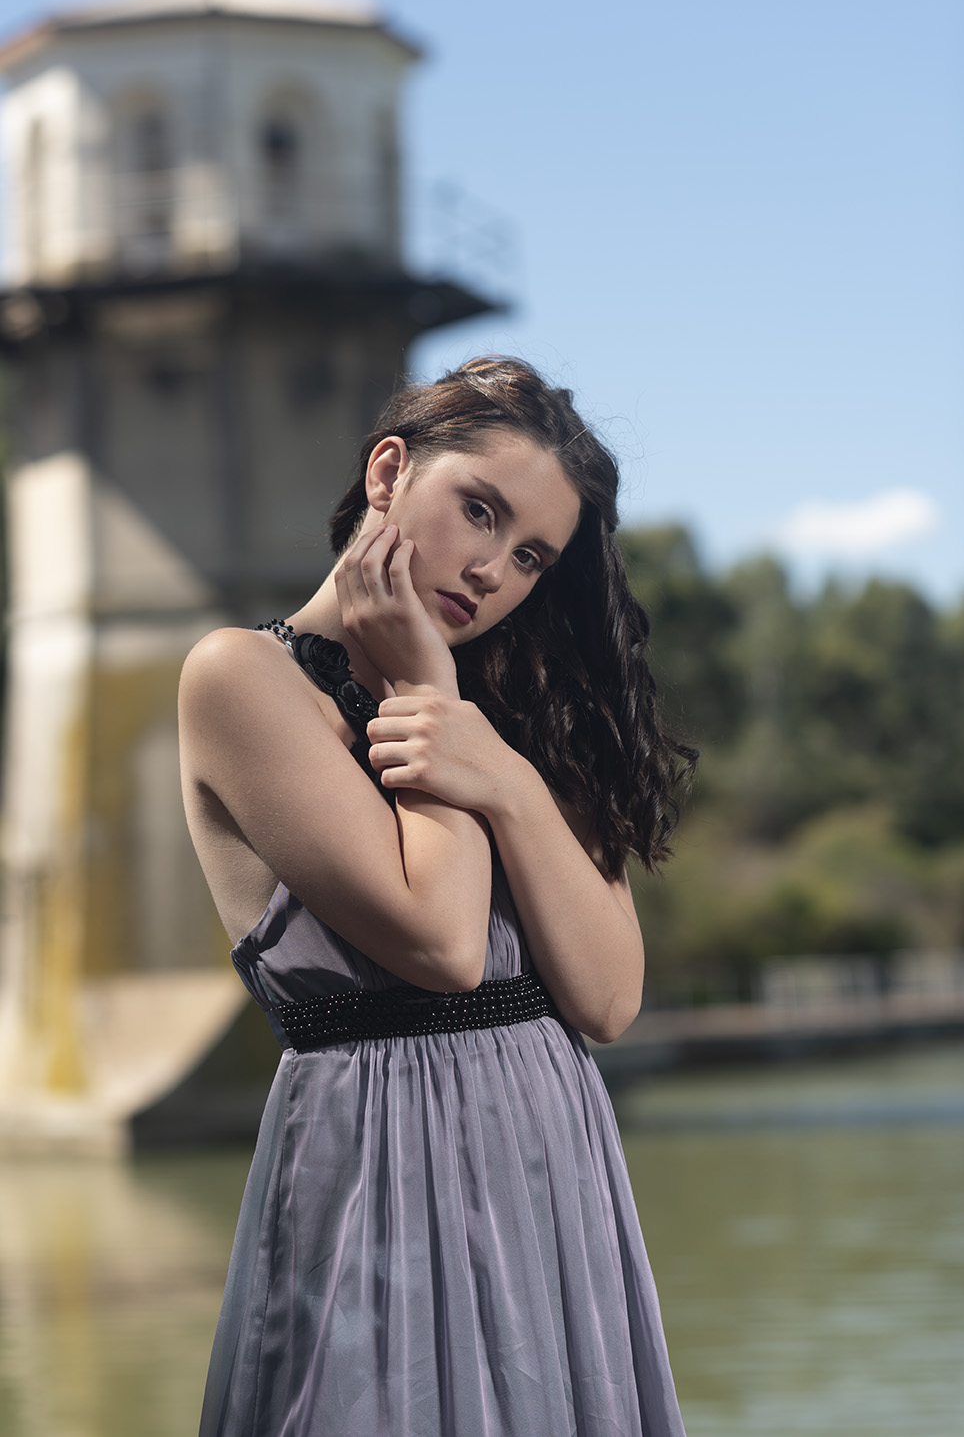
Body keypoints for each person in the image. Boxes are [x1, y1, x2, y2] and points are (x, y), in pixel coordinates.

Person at [179, 356, 695, 1437]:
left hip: (553, 1170)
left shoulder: (524, 718)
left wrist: (507, 779)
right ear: (387, 472)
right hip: (378, 1172)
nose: (493, 570)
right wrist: (424, 687)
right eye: (479, 510)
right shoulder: (241, 680)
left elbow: (607, 1001)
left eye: (531, 556)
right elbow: (444, 945)